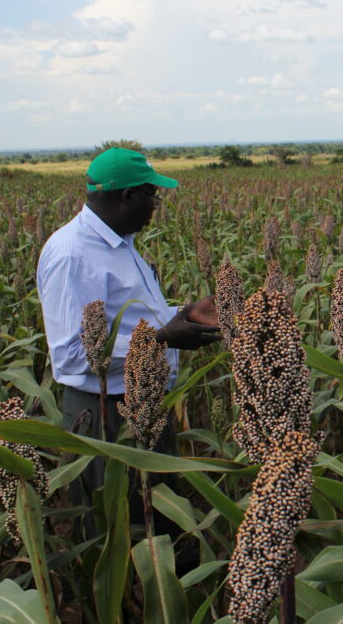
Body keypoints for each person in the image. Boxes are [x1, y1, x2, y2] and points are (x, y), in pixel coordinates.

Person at [36, 147, 220, 537]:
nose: (156, 206)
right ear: (127, 196)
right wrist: (166, 338)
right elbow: (73, 353)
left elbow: (130, 321)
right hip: (106, 414)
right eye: (152, 195)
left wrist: (185, 312)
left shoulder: (120, 243)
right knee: (117, 533)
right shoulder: (74, 254)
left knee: (158, 526)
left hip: (144, 401)